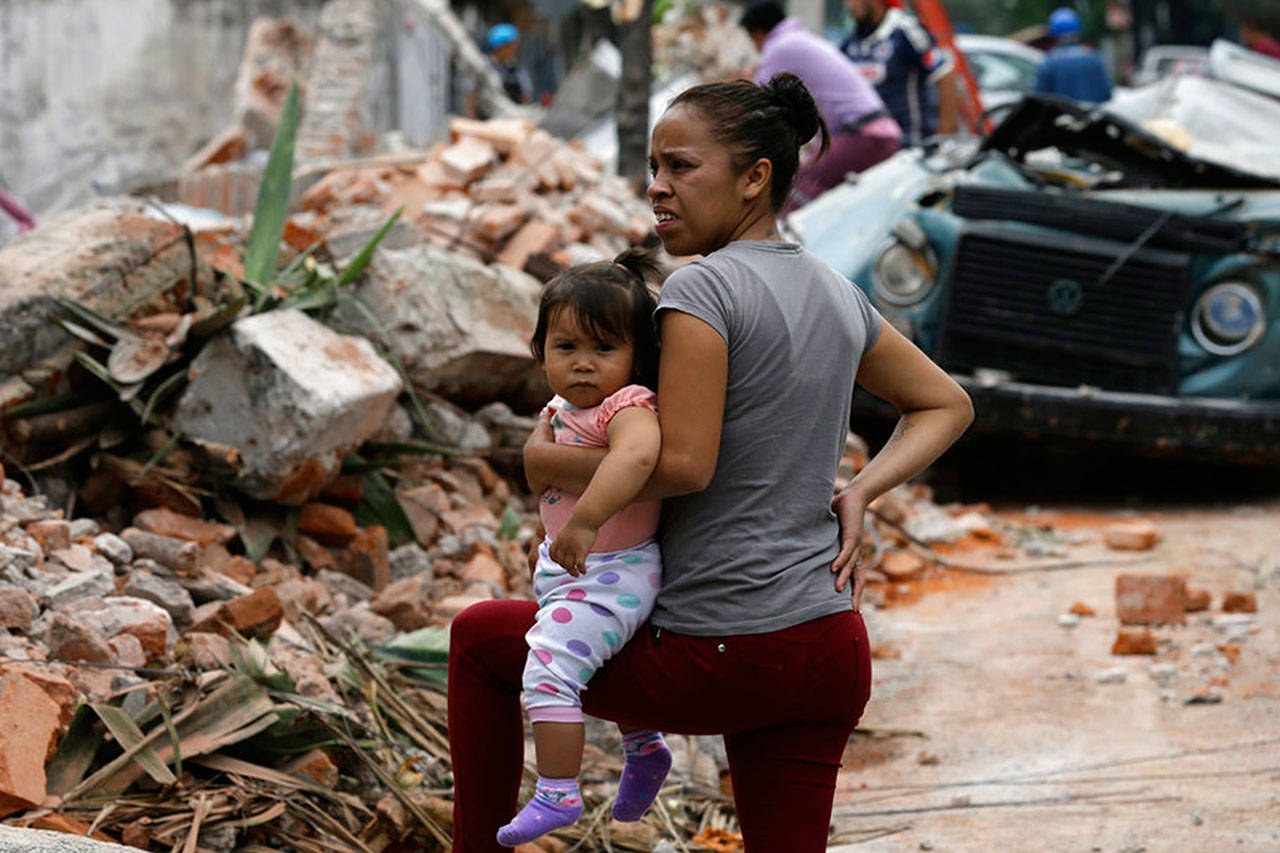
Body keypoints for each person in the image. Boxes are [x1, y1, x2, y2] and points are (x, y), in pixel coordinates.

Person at [447, 71, 974, 852]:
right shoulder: (834, 290)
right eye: (655, 168)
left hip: (723, 648)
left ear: (756, 177)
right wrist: (861, 491)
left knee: (479, 640)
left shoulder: (700, 288)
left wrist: (548, 462)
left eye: (680, 168)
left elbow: (684, 463)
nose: (657, 188)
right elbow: (947, 403)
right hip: (825, 646)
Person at [496, 249, 669, 846]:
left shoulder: (627, 408)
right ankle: (645, 747)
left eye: (605, 349)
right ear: (540, 350)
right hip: (578, 567)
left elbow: (637, 460)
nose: (585, 366)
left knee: (547, 668)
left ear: (637, 357)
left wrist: (585, 521)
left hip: (616, 569)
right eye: (567, 348)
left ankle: (557, 792)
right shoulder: (562, 409)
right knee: (601, 665)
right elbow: (539, 477)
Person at [740, 2, 901, 212]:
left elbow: (757, 104)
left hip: (862, 135)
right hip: (875, 131)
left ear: (758, 34)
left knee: (801, 186)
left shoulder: (779, 48)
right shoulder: (801, 39)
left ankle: (791, 242)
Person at [841, 0, 960, 148]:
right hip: (872, 147)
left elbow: (944, 75)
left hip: (910, 147)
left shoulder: (905, 32)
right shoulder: (852, 41)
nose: (848, 6)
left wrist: (943, 136)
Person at [1034, 7, 1114, 103]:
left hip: (1061, 117)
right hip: (1091, 116)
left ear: (1052, 32)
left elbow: (1039, 98)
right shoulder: (1093, 58)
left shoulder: (1049, 63)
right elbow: (1107, 94)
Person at [464, 23, 534, 118]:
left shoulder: (517, 69)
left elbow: (526, 96)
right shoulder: (482, 67)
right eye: (512, 45)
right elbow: (470, 96)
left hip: (512, 122)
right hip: (487, 123)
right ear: (502, 46)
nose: (515, 49)